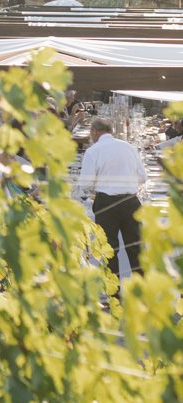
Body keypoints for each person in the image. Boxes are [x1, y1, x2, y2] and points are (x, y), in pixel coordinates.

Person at [78, 117, 147, 282]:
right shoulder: (129, 147)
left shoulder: (94, 150)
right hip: (130, 202)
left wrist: (97, 186)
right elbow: (142, 177)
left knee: (109, 250)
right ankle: (142, 293)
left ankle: (114, 296)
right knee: (136, 248)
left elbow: (85, 183)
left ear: (94, 131)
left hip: (106, 204)